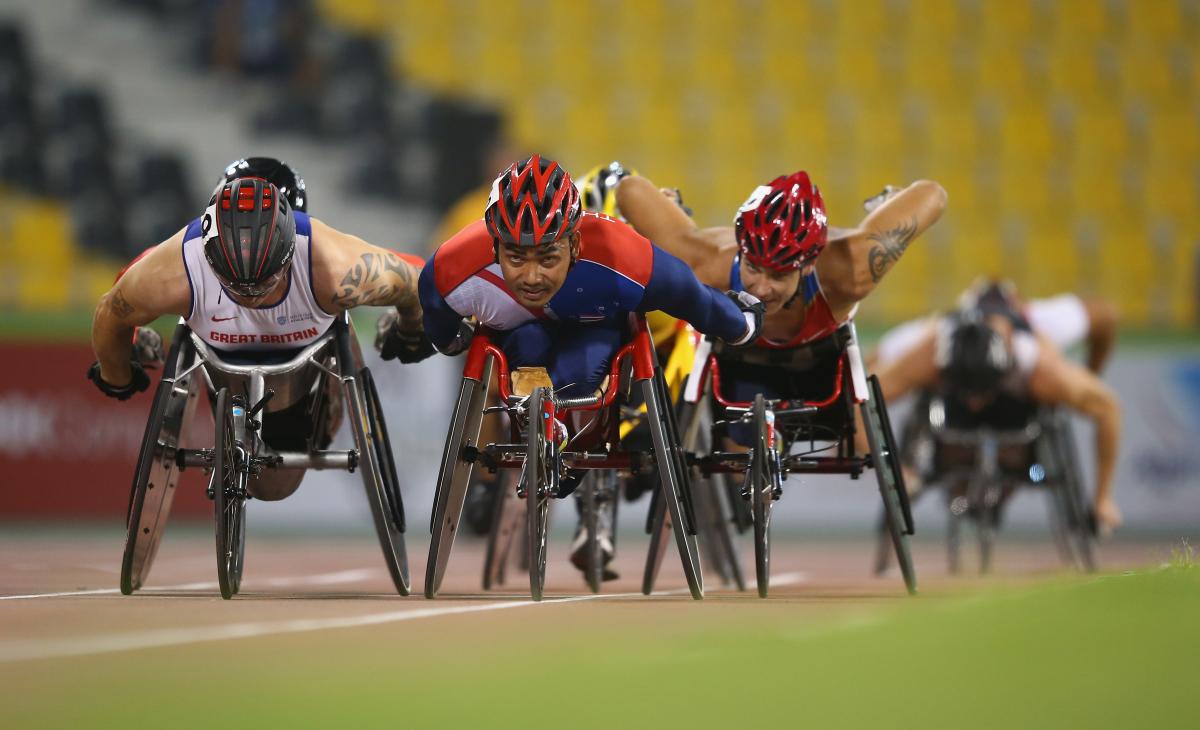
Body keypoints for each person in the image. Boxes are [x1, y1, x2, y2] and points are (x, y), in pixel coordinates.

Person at [414, 154, 765, 577]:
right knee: (525, 340)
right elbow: (441, 326)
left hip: (594, 334)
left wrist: (741, 324)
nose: (530, 277)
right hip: (520, 340)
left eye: (547, 258)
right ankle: (517, 459)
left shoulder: (618, 253)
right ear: (493, 245)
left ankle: (574, 441)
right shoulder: (452, 268)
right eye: (515, 257)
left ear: (576, 244)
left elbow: (693, 297)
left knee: (581, 370)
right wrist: (453, 341)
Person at [89, 158, 428, 501]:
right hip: (222, 363)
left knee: (279, 485)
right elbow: (111, 313)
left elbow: (413, 281)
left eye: (265, 284)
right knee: (269, 486)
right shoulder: (171, 270)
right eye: (234, 286)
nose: (250, 296)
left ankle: (324, 409)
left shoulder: (336, 267)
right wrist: (116, 372)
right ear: (209, 253)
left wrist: (413, 327)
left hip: (303, 364)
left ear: (290, 248)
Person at [871, 281, 1123, 533]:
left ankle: (1010, 481)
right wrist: (895, 469)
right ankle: (958, 488)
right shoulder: (927, 348)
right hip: (949, 408)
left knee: (1036, 436)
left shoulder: (1042, 362)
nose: (975, 403)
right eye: (968, 391)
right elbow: (861, 398)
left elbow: (1107, 404)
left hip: (1021, 398)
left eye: (982, 390)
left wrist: (1102, 498)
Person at [616, 171, 946, 350]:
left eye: (779, 275)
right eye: (753, 267)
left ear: (808, 265)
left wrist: (893, 205)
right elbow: (628, 189)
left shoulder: (852, 270)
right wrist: (667, 205)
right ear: (741, 251)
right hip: (737, 356)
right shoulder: (706, 262)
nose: (761, 288)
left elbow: (933, 193)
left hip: (821, 352)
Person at [873, 278, 1119, 375]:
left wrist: (1089, 377)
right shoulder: (936, 332)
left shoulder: (1041, 323)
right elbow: (872, 364)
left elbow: (1107, 314)